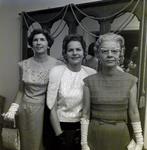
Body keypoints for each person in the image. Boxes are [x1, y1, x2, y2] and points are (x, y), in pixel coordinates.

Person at [81, 33, 144, 150]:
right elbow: (85, 113)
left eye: (114, 51)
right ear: (98, 55)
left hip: (120, 135)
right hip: (95, 136)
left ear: (120, 54)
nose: (110, 55)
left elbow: (134, 112)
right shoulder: (89, 82)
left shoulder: (130, 81)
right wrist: (84, 143)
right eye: (105, 51)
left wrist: (140, 141)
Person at [2, 29, 62, 150]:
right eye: (35, 40)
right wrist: (13, 109)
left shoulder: (57, 65)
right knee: (26, 143)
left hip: (45, 111)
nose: (38, 43)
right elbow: (21, 90)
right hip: (26, 110)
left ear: (48, 43)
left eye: (42, 40)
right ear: (31, 44)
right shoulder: (24, 65)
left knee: (42, 144)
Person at [46, 34, 96, 150]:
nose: (75, 53)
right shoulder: (56, 73)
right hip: (60, 129)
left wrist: (83, 134)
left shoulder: (90, 74)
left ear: (83, 52)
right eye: (70, 50)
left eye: (78, 49)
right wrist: (59, 135)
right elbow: (52, 108)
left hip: (82, 131)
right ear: (65, 53)